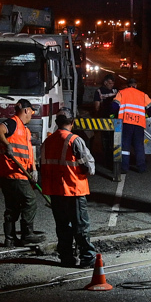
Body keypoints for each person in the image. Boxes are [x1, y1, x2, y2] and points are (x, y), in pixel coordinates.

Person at [40, 108, 98, 268]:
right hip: (74, 190)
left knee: (63, 227)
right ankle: (87, 257)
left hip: (55, 192)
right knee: (81, 226)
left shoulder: (47, 142)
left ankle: (66, 258)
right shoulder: (74, 140)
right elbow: (88, 166)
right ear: (72, 122)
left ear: (57, 123)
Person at [0, 99, 46, 246]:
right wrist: (7, 144)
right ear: (26, 110)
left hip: (15, 172)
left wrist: (34, 170)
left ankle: (9, 239)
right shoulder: (13, 123)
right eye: (32, 112)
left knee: (13, 205)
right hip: (13, 172)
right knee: (30, 201)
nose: (32, 115)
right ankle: (27, 234)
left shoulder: (24, 129)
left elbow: (28, 153)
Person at [113, 78, 151, 173]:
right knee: (139, 145)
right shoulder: (142, 94)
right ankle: (141, 167)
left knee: (125, 145)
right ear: (136, 85)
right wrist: (148, 115)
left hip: (125, 122)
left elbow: (114, 106)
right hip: (139, 123)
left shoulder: (122, 93)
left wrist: (113, 114)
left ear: (127, 85)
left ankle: (124, 167)